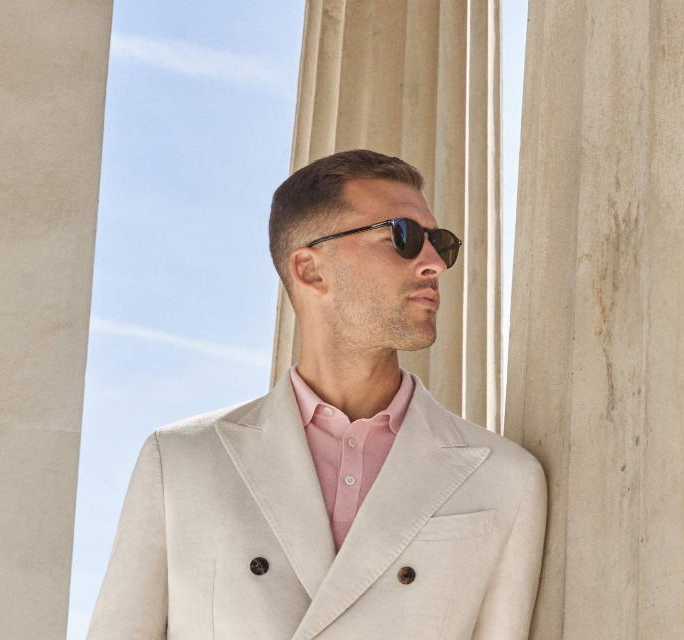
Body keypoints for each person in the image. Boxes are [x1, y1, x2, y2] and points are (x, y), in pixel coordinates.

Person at [87, 149, 546, 639]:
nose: (435, 263)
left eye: (441, 243)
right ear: (310, 269)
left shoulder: (505, 478)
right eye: (403, 237)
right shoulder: (181, 462)